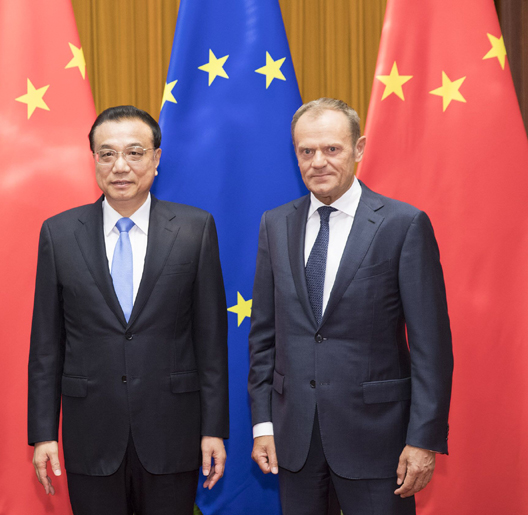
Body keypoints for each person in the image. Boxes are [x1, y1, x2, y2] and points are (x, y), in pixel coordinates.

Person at [247, 98, 453, 515]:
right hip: (295, 440)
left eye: (332, 149)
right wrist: (263, 424)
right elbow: (264, 336)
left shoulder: (403, 224)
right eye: (306, 151)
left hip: (379, 440)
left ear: (358, 149)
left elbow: (431, 347)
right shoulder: (275, 224)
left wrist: (423, 439)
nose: (318, 162)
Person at [28, 105, 229, 515]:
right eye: (107, 154)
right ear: (94, 160)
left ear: (156, 158)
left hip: (172, 431)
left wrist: (213, 430)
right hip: (91, 434)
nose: (120, 166)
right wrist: (44, 434)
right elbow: (46, 346)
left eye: (134, 153)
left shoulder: (195, 229)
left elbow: (211, 343)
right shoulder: (59, 234)